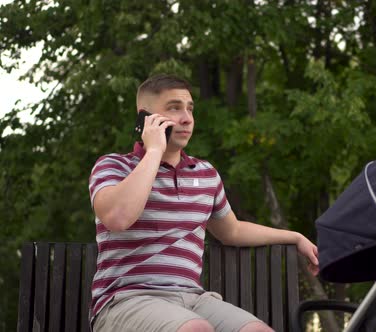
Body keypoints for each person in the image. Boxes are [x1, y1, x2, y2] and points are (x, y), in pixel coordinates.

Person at [88, 74, 319, 332]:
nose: (187, 118)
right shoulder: (113, 166)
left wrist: (295, 237)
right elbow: (118, 217)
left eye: (190, 108)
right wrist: (153, 151)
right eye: (174, 108)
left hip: (192, 301)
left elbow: (233, 231)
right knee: (195, 329)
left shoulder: (205, 173)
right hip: (125, 301)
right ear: (145, 118)